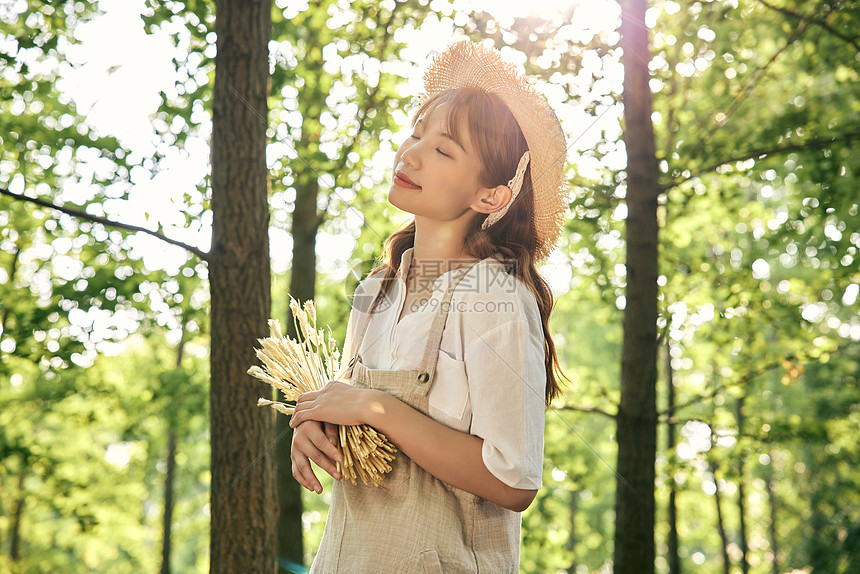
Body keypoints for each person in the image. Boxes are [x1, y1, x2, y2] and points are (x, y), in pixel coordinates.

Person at [287, 40, 569, 573]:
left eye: (443, 150)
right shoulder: (375, 292)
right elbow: (362, 429)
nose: (410, 154)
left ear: (490, 197)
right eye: (417, 135)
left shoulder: (498, 298)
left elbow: (513, 480)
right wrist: (319, 427)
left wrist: (376, 408)